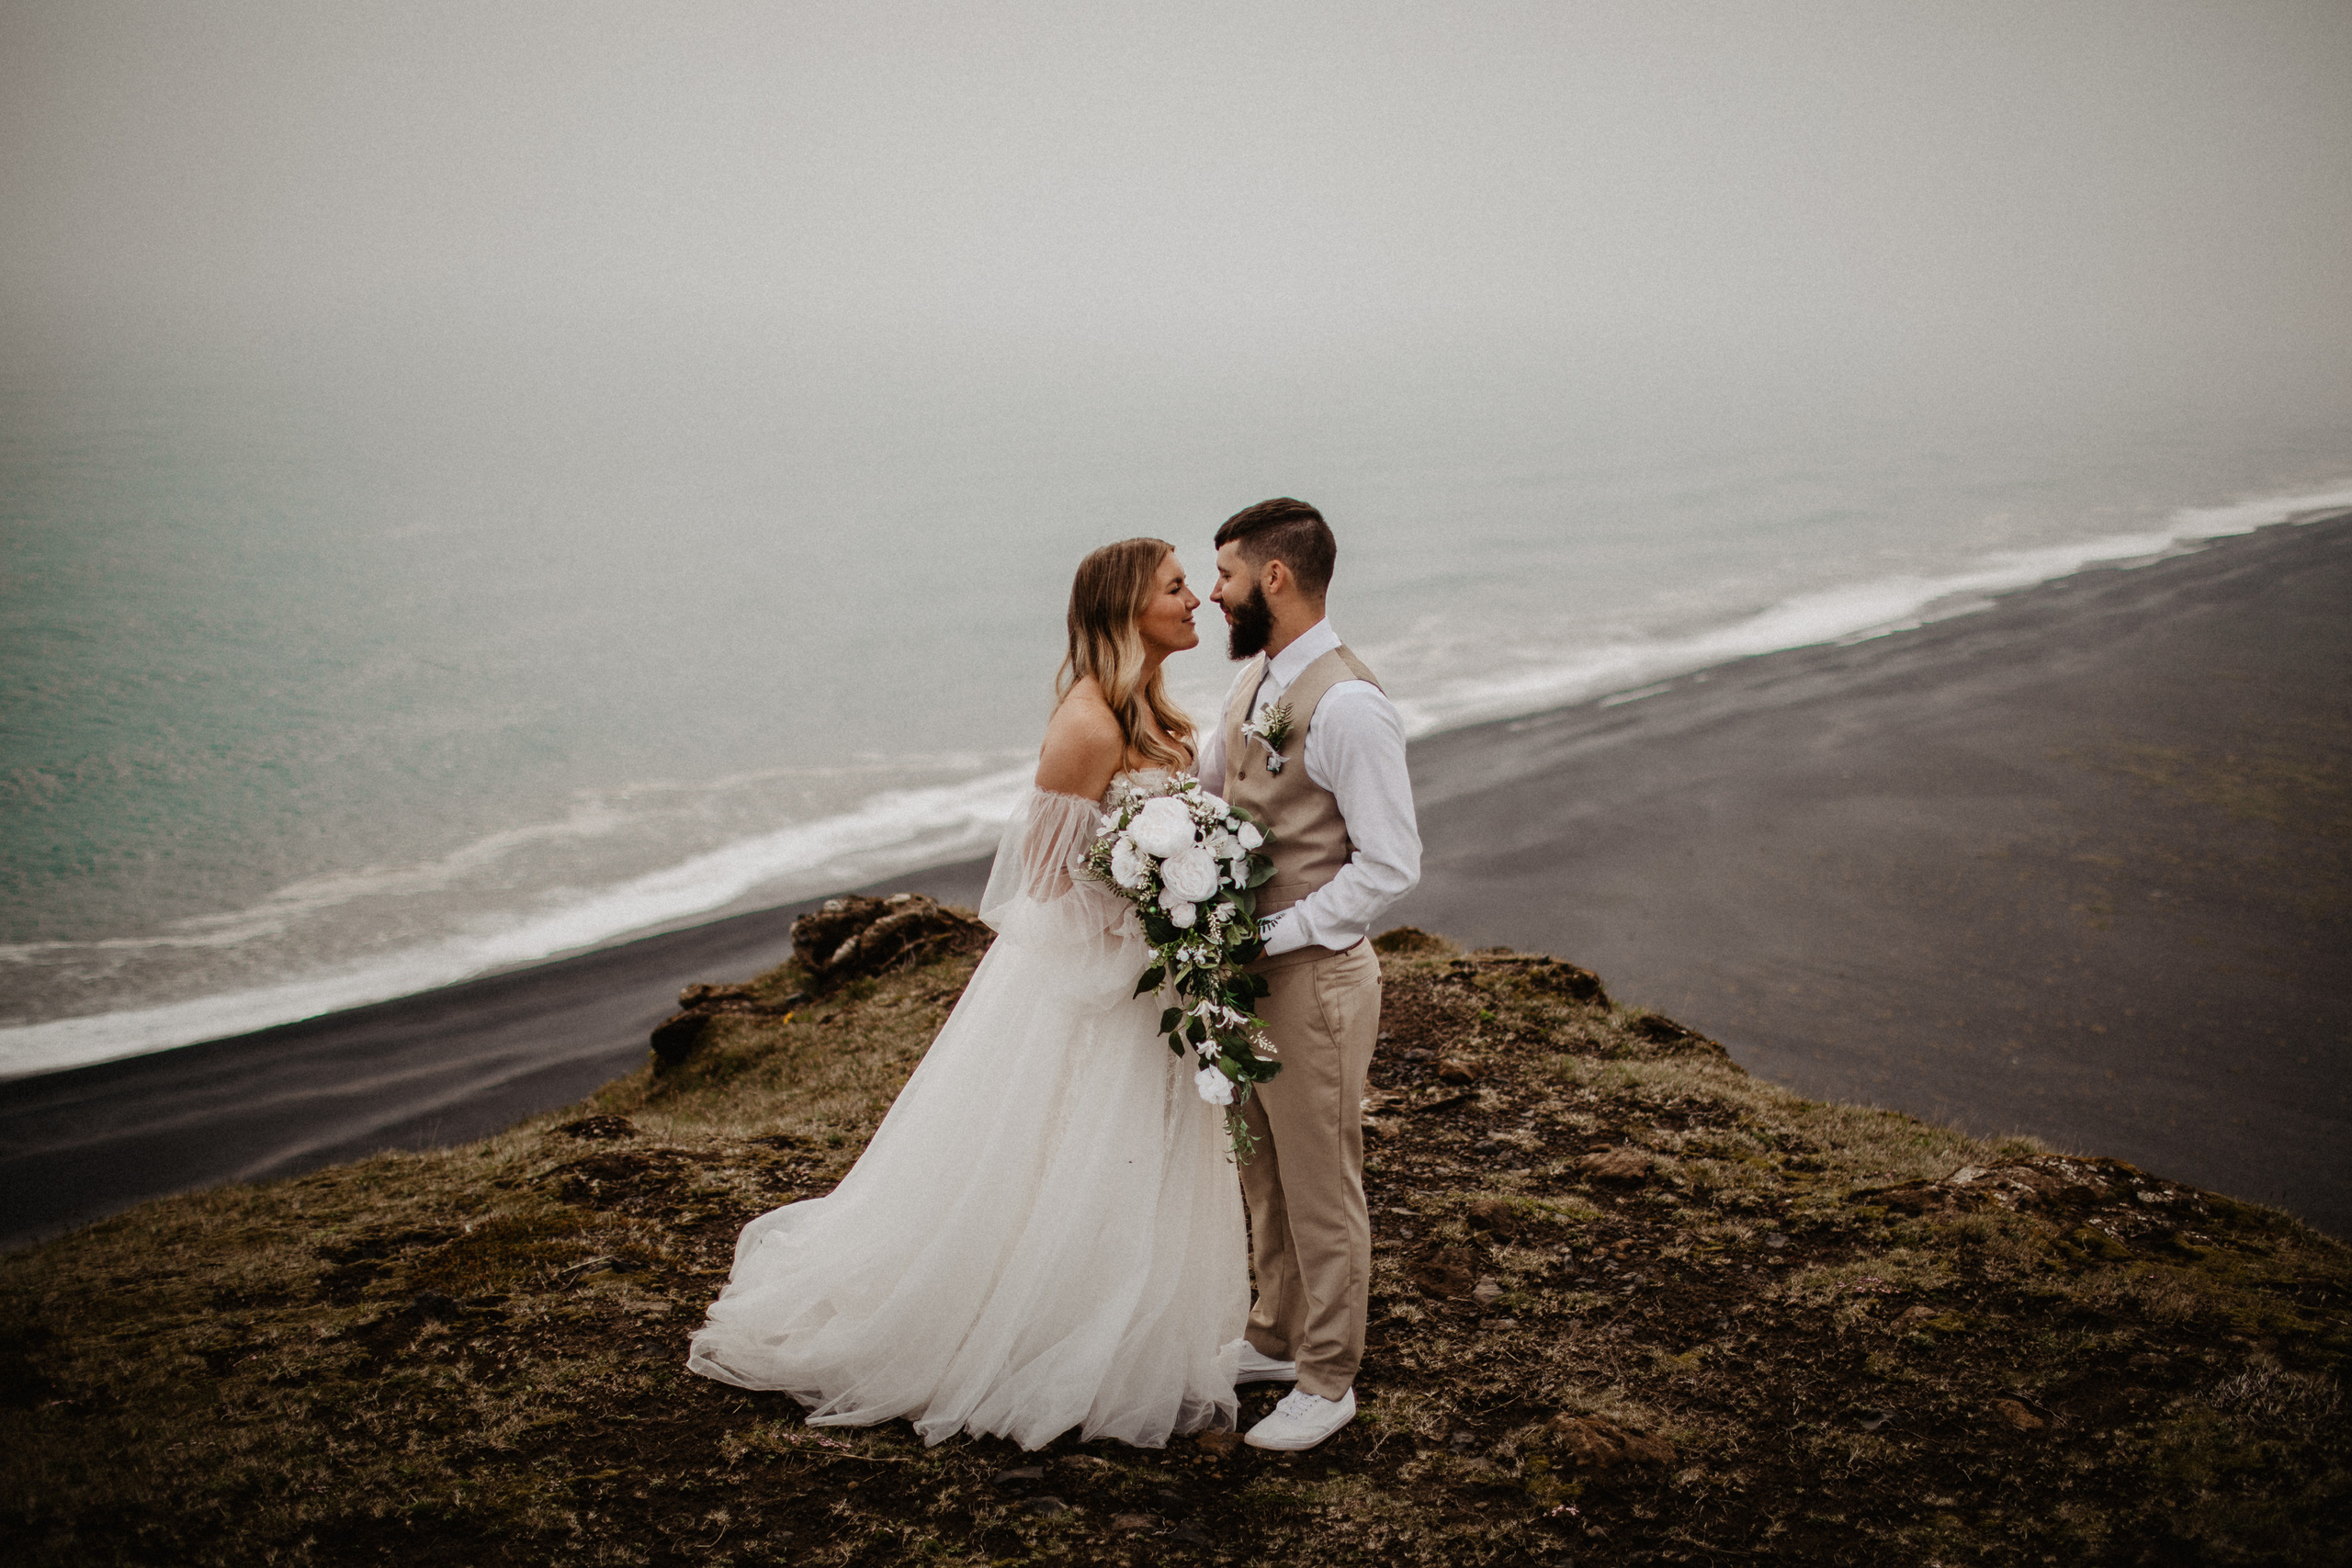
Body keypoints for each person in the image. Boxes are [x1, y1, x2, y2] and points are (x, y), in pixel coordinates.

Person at [685, 538, 1250, 1449]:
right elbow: (1044, 879)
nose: (1194, 601)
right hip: (1095, 985)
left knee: (1132, 1160)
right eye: (1175, 588)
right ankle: (1031, 1340)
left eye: (1190, 585)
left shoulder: (1152, 709)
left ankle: (1120, 1334)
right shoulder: (1087, 724)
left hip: (1158, 974)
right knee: (1061, 1156)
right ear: (1122, 611)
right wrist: (1153, 901)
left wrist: (1192, 889)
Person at [1195, 497, 1421, 1452]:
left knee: (1322, 1180)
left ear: (1273, 579)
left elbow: (1389, 864)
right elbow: (1216, 793)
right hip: (1251, 978)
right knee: (1262, 1168)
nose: (1212, 595)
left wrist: (1276, 933)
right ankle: (1276, 1335)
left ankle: (1329, 1380)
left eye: (1225, 576)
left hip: (1316, 982)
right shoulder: (1255, 682)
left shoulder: (1349, 706)